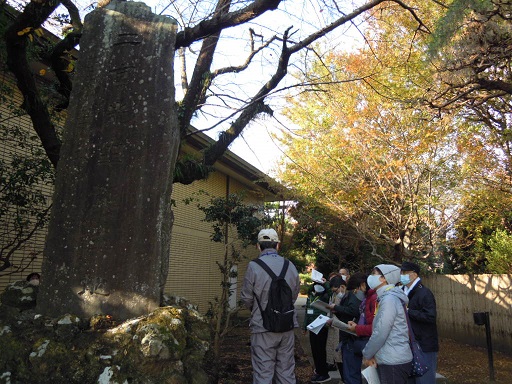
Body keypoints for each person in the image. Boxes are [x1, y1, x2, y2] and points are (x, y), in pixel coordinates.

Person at [240, 228, 300, 384]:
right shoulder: (290, 265)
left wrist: (259, 310)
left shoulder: (254, 266)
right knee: (286, 371)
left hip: (262, 327)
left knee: (263, 372)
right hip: (286, 325)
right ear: (277, 245)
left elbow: (246, 297)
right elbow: (293, 295)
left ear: (258, 246)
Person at [362, 264, 412, 384]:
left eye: (374, 274)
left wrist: (367, 354)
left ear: (384, 278)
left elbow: (381, 331)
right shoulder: (386, 298)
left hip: (393, 360)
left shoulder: (389, 300)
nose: (370, 277)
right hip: (391, 357)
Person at [400, 261, 439, 384]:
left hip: (424, 345)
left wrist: (409, 311)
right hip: (409, 344)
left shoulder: (424, 293)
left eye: (405, 273)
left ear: (414, 275)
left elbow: (430, 316)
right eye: (401, 273)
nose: (402, 275)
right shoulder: (402, 291)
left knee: (424, 380)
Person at [327, 273, 363, 384]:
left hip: (351, 336)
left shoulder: (353, 296)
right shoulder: (348, 296)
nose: (335, 294)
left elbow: (353, 310)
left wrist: (337, 307)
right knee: (348, 370)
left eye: (336, 291)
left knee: (351, 372)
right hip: (346, 336)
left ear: (343, 287)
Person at [303, 280, 331, 383]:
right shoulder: (310, 296)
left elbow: (331, 293)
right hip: (312, 327)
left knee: (320, 350)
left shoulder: (325, 297)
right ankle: (319, 371)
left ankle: (324, 373)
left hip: (321, 326)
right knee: (314, 350)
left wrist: (325, 283)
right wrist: (304, 327)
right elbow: (307, 312)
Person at [325, 275, 346, 373]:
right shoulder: (333, 295)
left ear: (342, 286)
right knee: (334, 352)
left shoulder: (346, 296)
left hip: (341, 328)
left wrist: (337, 310)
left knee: (340, 355)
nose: (335, 292)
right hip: (333, 326)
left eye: (336, 290)